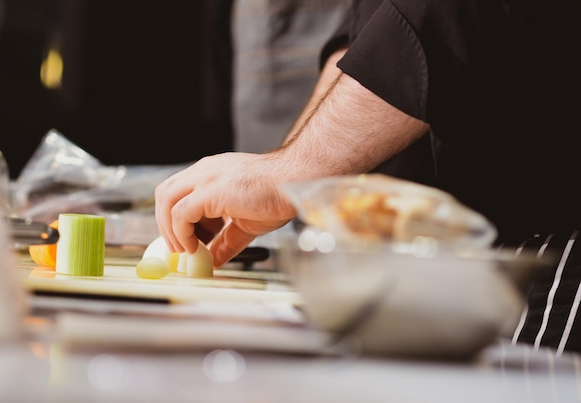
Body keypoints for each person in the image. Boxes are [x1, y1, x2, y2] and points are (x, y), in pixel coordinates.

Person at [155, 1, 580, 353]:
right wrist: (291, 177)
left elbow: (444, 15)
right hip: (444, 260)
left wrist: (291, 172)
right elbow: (368, 38)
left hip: (550, 244)